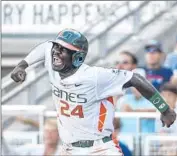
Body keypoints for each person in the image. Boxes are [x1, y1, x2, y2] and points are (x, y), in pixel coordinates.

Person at [10, 28, 176, 155]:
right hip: (69, 149)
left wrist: (164, 108)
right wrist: (22, 65)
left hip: (100, 148)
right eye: (56, 47)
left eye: (63, 50)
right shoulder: (52, 57)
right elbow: (45, 48)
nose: (55, 53)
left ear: (78, 58)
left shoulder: (95, 77)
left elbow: (135, 79)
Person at [115, 69, 156, 133]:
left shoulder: (154, 99)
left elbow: (157, 112)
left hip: (146, 141)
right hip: (124, 140)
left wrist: (132, 111)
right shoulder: (123, 100)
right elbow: (116, 123)